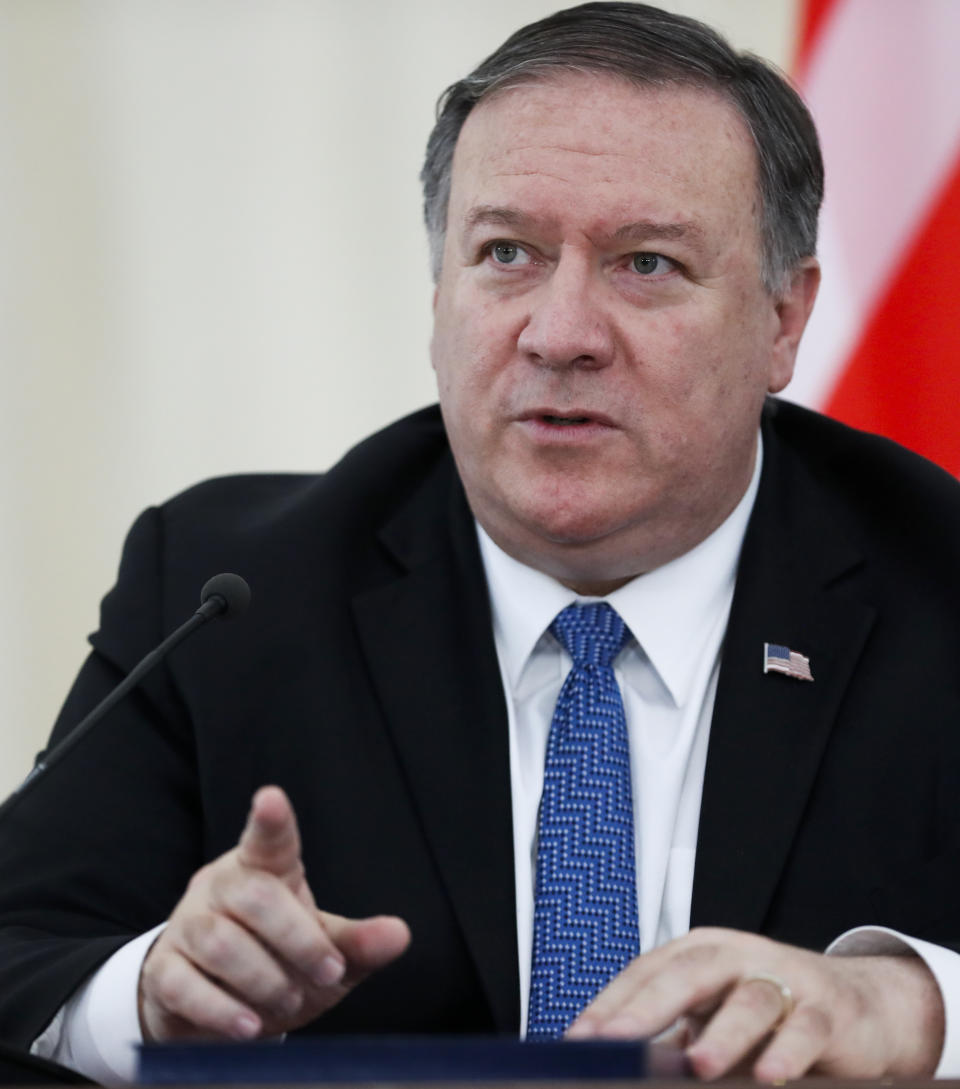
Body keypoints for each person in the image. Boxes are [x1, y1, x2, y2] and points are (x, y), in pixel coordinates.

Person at [1, 1, 959, 1083]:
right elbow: (18, 951)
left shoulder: (939, 581)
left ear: (783, 320)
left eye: (645, 263)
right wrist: (150, 994)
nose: (560, 334)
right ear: (438, 293)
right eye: (507, 253)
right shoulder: (233, 592)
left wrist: (919, 1009)